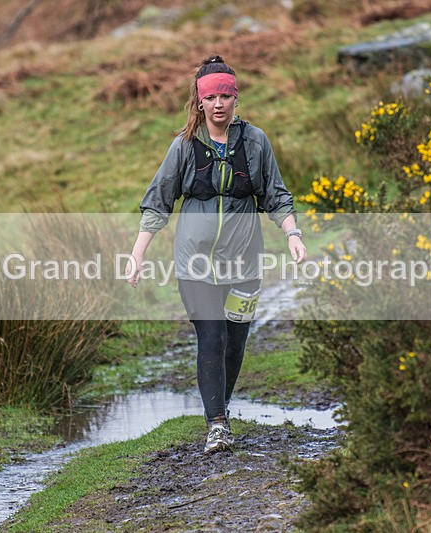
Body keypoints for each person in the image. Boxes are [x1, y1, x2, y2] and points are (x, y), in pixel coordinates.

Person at [125, 55, 306, 453]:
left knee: (235, 343)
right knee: (213, 335)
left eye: (226, 96)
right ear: (200, 101)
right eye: (211, 97)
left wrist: (292, 233)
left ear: (235, 98)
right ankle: (217, 425)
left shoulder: (255, 142)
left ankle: (218, 408)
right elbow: (158, 201)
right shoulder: (184, 146)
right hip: (196, 264)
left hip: (245, 263)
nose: (219, 104)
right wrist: (137, 254)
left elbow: (276, 195)